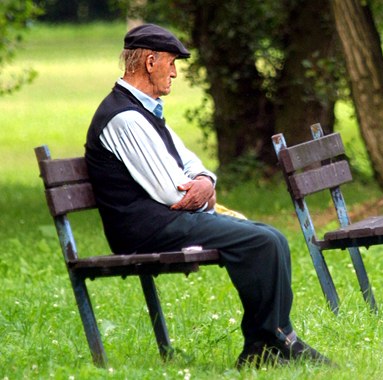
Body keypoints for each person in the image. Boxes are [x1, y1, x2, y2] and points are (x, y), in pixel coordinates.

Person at [85, 23, 331, 368]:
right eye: (171, 63)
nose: (174, 72)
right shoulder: (124, 117)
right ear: (150, 62)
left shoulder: (143, 109)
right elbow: (171, 192)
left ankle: (270, 341)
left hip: (167, 221)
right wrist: (201, 189)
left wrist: (204, 180)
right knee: (261, 242)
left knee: (272, 238)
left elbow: (189, 162)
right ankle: (272, 343)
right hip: (144, 230)